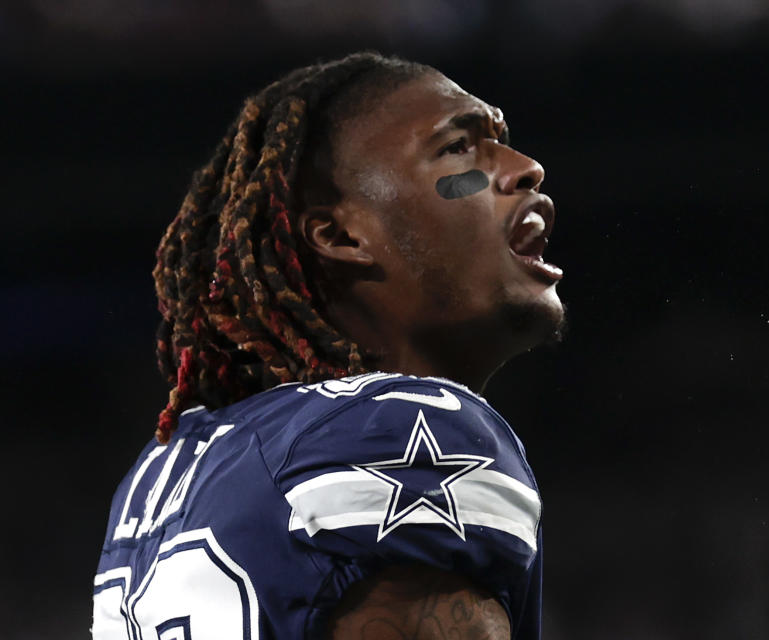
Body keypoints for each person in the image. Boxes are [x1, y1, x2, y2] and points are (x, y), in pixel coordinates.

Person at [92, 52, 564, 640]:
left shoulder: (164, 473)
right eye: (457, 149)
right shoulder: (404, 429)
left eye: (503, 140)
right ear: (342, 235)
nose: (526, 169)